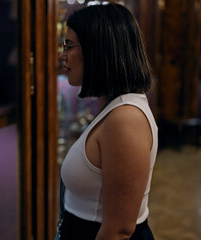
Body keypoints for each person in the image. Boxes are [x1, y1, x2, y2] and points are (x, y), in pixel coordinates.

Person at [57, 3, 157, 240]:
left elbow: (119, 229)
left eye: (69, 46)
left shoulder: (125, 118)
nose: (62, 56)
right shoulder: (114, 107)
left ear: (98, 50)